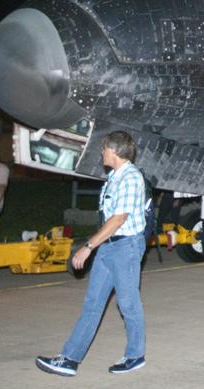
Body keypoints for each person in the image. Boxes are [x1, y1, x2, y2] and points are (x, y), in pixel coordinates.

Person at [37, 131, 148, 376]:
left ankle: (135, 355)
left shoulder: (130, 177)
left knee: (128, 304)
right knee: (93, 304)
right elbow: (108, 217)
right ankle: (69, 359)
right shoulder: (113, 177)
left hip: (126, 247)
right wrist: (97, 245)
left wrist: (88, 247)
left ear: (115, 151)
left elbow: (119, 219)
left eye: (104, 148)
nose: (101, 152)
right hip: (109, 247)